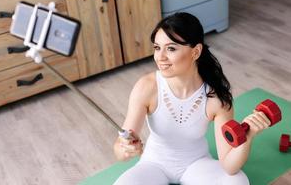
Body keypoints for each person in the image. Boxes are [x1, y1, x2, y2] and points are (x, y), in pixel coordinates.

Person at [113, 12, 270, 185]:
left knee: (238, 181)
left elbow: (229, 166)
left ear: (196, 52)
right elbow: (120, 151)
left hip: (196, 165)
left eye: (171, 48)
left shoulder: (216, 99)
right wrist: (125, 148)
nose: (160, 57)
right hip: (153, 164)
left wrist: (246, 139)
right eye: (157, 47)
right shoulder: (146, 87)